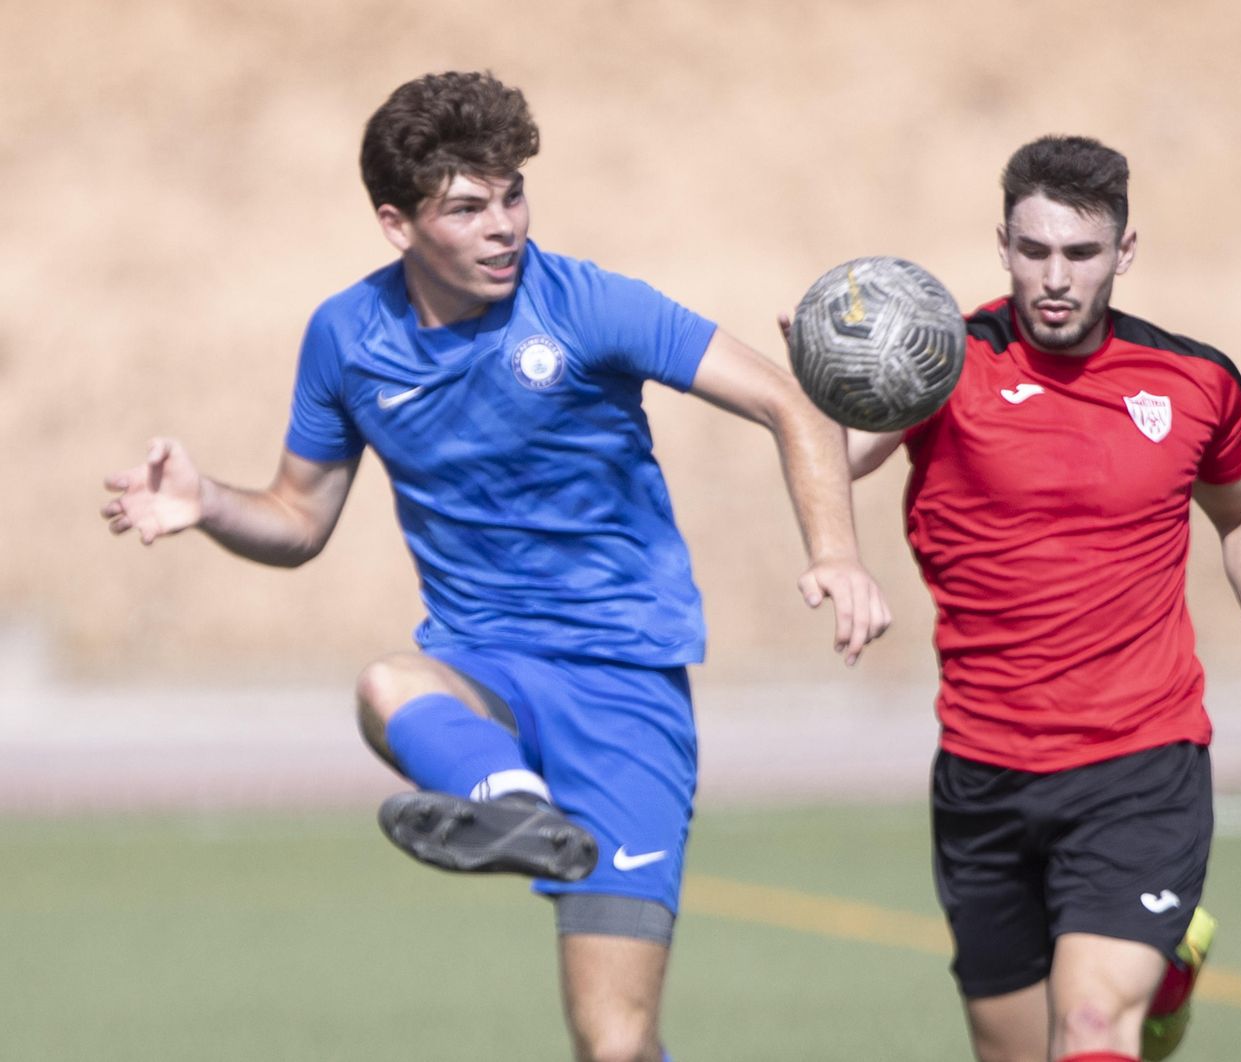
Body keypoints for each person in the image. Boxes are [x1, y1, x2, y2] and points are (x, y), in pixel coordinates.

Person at [101, 70, 890, 1062]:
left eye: (512, 193)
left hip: (624, 692)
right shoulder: (346, 338)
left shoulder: (590, 304)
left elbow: (790, 400)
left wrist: (836, 556)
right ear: (397, 224)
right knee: (388, 681)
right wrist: (208, 502)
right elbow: (298, 518)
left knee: (614, 1043)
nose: (502, 226)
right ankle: (514, 809)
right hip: (488, 670)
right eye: (466, 207)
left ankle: (517, 812)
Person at [844, 136, 1241, 1062]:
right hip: (984, 768)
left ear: (1125, 250)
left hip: (1138, 763)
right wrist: (835, 383)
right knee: (1016, 1050)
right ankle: (1170, 975)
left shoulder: (1193, 381)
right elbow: (831, 451)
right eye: (1034, 253)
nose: (1055, 279)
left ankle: (1142, 984)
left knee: (1089, 1028)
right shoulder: (945, 361)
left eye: (1081, 253)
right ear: (1003, 246)